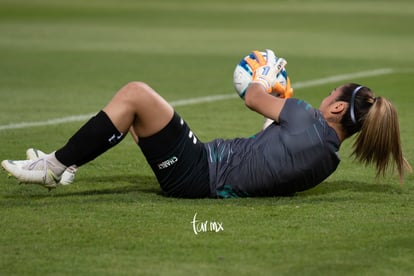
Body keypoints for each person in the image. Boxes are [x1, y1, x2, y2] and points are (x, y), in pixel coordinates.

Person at [2, 50, 411, 198]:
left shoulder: (305, 116)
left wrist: (263, 75)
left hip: (198, 171)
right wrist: (283, 100)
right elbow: (272, 151)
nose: (324, 99)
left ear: (338, 109)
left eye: (331, 95)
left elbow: (251, 95)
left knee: (136, 94)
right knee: (139, 113)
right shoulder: (328, 159)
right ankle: (69, 162)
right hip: (206, 180)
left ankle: (54, 167)